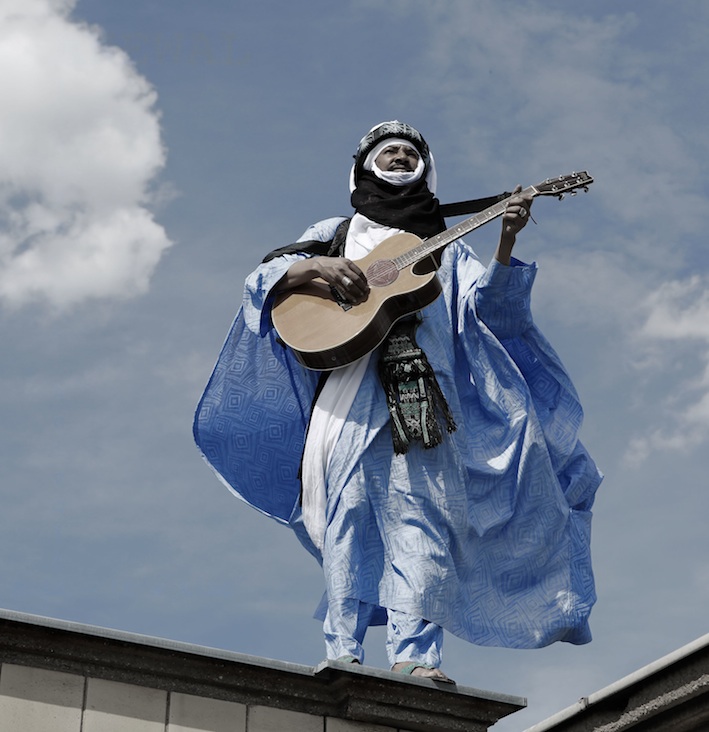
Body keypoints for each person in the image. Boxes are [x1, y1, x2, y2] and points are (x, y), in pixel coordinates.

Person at [194, 121, 602, 683]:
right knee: (349, 516)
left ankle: (416, 657)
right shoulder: (336, 233)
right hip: (347, 397)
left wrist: (507, 241)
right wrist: (316, 266)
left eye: (412, 152)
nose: (402, 156)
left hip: (426, 396)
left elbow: (493, 314)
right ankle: (343, 650)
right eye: (389, 150)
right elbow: (261, 281)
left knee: (424, 521)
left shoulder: (449, 248)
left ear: (427, 170)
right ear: (364, 166)